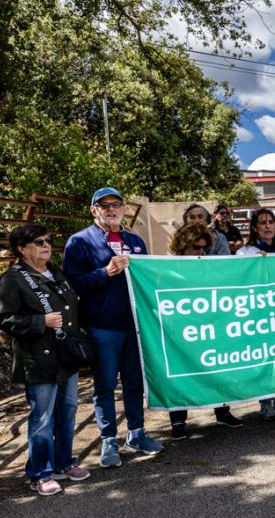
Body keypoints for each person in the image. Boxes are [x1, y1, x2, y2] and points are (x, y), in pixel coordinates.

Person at [62, 187, 164, 468]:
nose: (110, 209)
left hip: (135, 326)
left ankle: (137, 433)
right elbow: (72, 284)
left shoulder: (135, 240)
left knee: (135, 382)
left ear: (123, 209)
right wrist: (105, 272)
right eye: (103, 205)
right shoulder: (79, 242)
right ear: (94, 210)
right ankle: (109, 439)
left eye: (116, 204)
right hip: (102, 326)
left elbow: (149, 279)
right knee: (105, 385)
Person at [0, 224, 89, 496]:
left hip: (66, 357)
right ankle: (40, 473)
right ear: (21, 249)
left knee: (68, 411)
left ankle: (64, 463)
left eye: (48, 240)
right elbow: (3, 318)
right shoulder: (13, 279)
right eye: (38, 242)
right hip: (38, 359)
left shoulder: (56, 272)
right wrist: (40, 321)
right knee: (43, 418)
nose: (46, 245)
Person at [166, 222, 244, 439]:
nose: (201, 252)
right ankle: (178, 420)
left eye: (204, 248)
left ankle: (222, 411)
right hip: (180, 332)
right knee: (180, 372)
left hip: (209, 328)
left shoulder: (209, 267)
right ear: (182, 247)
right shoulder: (166, 269)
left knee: (217, 367)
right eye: (196, 247)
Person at [234, 208, 275, 419]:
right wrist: (255, 265)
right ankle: (265, 403)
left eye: (271, 221)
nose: (268, 226)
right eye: (263, 222)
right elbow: (239, 280)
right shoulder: (245, 252)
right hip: (260, 313)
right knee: (265, 358)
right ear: (254, 227)